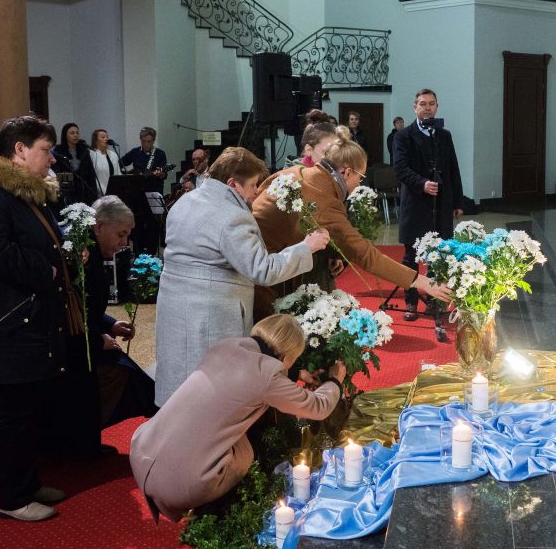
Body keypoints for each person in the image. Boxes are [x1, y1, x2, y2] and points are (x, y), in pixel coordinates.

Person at [0, 196, 158, 473]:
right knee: (48, 413)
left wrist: (110, 325)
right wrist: (96, 338)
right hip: (57, 343)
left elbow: (85, 307)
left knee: (89, 394)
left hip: (75, 342)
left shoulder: (88, 249)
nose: (125, 242)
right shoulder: (76, 253)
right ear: (99, 227)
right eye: (121, 234)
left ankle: (80, 444)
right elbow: (67, 308)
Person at [0, 116, 74, 522]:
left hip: (22, 320)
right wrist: (47, 270)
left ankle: (26, 482)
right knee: (18, 412)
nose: (52, 158)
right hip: (6, 324)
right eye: (45, 149)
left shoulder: (16, 192)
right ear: (19, 150)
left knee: (29, 409)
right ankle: (10, 497)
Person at [154, 147, 330, 407]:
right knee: (210, 394)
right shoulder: (232, 216)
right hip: (212, 313)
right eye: (253, 185)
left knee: (179, 380)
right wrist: (307, 247)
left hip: (175, 306)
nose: (257, 192)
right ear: (232, 184)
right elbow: (263, 270)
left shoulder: (184, 201)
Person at [131, 314, 345, 522]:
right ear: (288, 357)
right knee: (247, 445)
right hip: (181, 482)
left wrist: (294, 373)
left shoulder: (225, 346)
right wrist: (335, 381)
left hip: (143, 452)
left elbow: (252, 373)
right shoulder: (267, 376)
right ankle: (216, 509)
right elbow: (319, 407)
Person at [252, 126, 452, 317]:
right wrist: (422, 282)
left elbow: (257, 197)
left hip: (250, 258)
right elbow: (366, 255)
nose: (359, 184)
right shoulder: (326, 202)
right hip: (265, 281)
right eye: (360, 177)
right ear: (346, 172)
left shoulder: (295, 172)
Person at [393, 88, 464, 321]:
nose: (427, 108)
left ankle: (435, 302)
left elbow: (453, 168)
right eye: (422, 104)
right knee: (411, 257)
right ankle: (411, 302)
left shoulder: (444, 135)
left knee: (438, 258)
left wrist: (458, 201)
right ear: (415, 107)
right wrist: (421, 183)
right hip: (415, 205)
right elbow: (400, 169)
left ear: (436, 107)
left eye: (431, 104)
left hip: (441, 205)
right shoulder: (404, 136)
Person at [120, 126, 168, 254]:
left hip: (153, 194)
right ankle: (138, 253)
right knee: (137, 226)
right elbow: (120, 163)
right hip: (137, 195)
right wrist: (129, 175)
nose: (147, 144)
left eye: (149, 141)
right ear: (140, 140)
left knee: (153, 226)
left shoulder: (159, 154)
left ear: (153, 141)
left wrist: (161, 174)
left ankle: (151, 254)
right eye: (144, 141)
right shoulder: (135, 152)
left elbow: (164, 174)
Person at [52, 122, 99, 207]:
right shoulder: (59, 151)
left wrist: (94, 196)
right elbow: (58, 172)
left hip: (85, 193)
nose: (75, 135)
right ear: (65, 135)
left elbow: (91, 174)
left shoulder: (84, 150)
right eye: (72, 133)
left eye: (77, 133)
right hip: (68, 194)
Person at [89, 128, 122, 195]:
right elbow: (92, 177)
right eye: (103, 137)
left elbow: (118, 173)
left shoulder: (113, 154)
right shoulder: (92, 154)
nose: (106, 139)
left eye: (107, 137)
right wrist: (104, 191)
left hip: (115, 192)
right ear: (95, 141)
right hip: (99, 193)